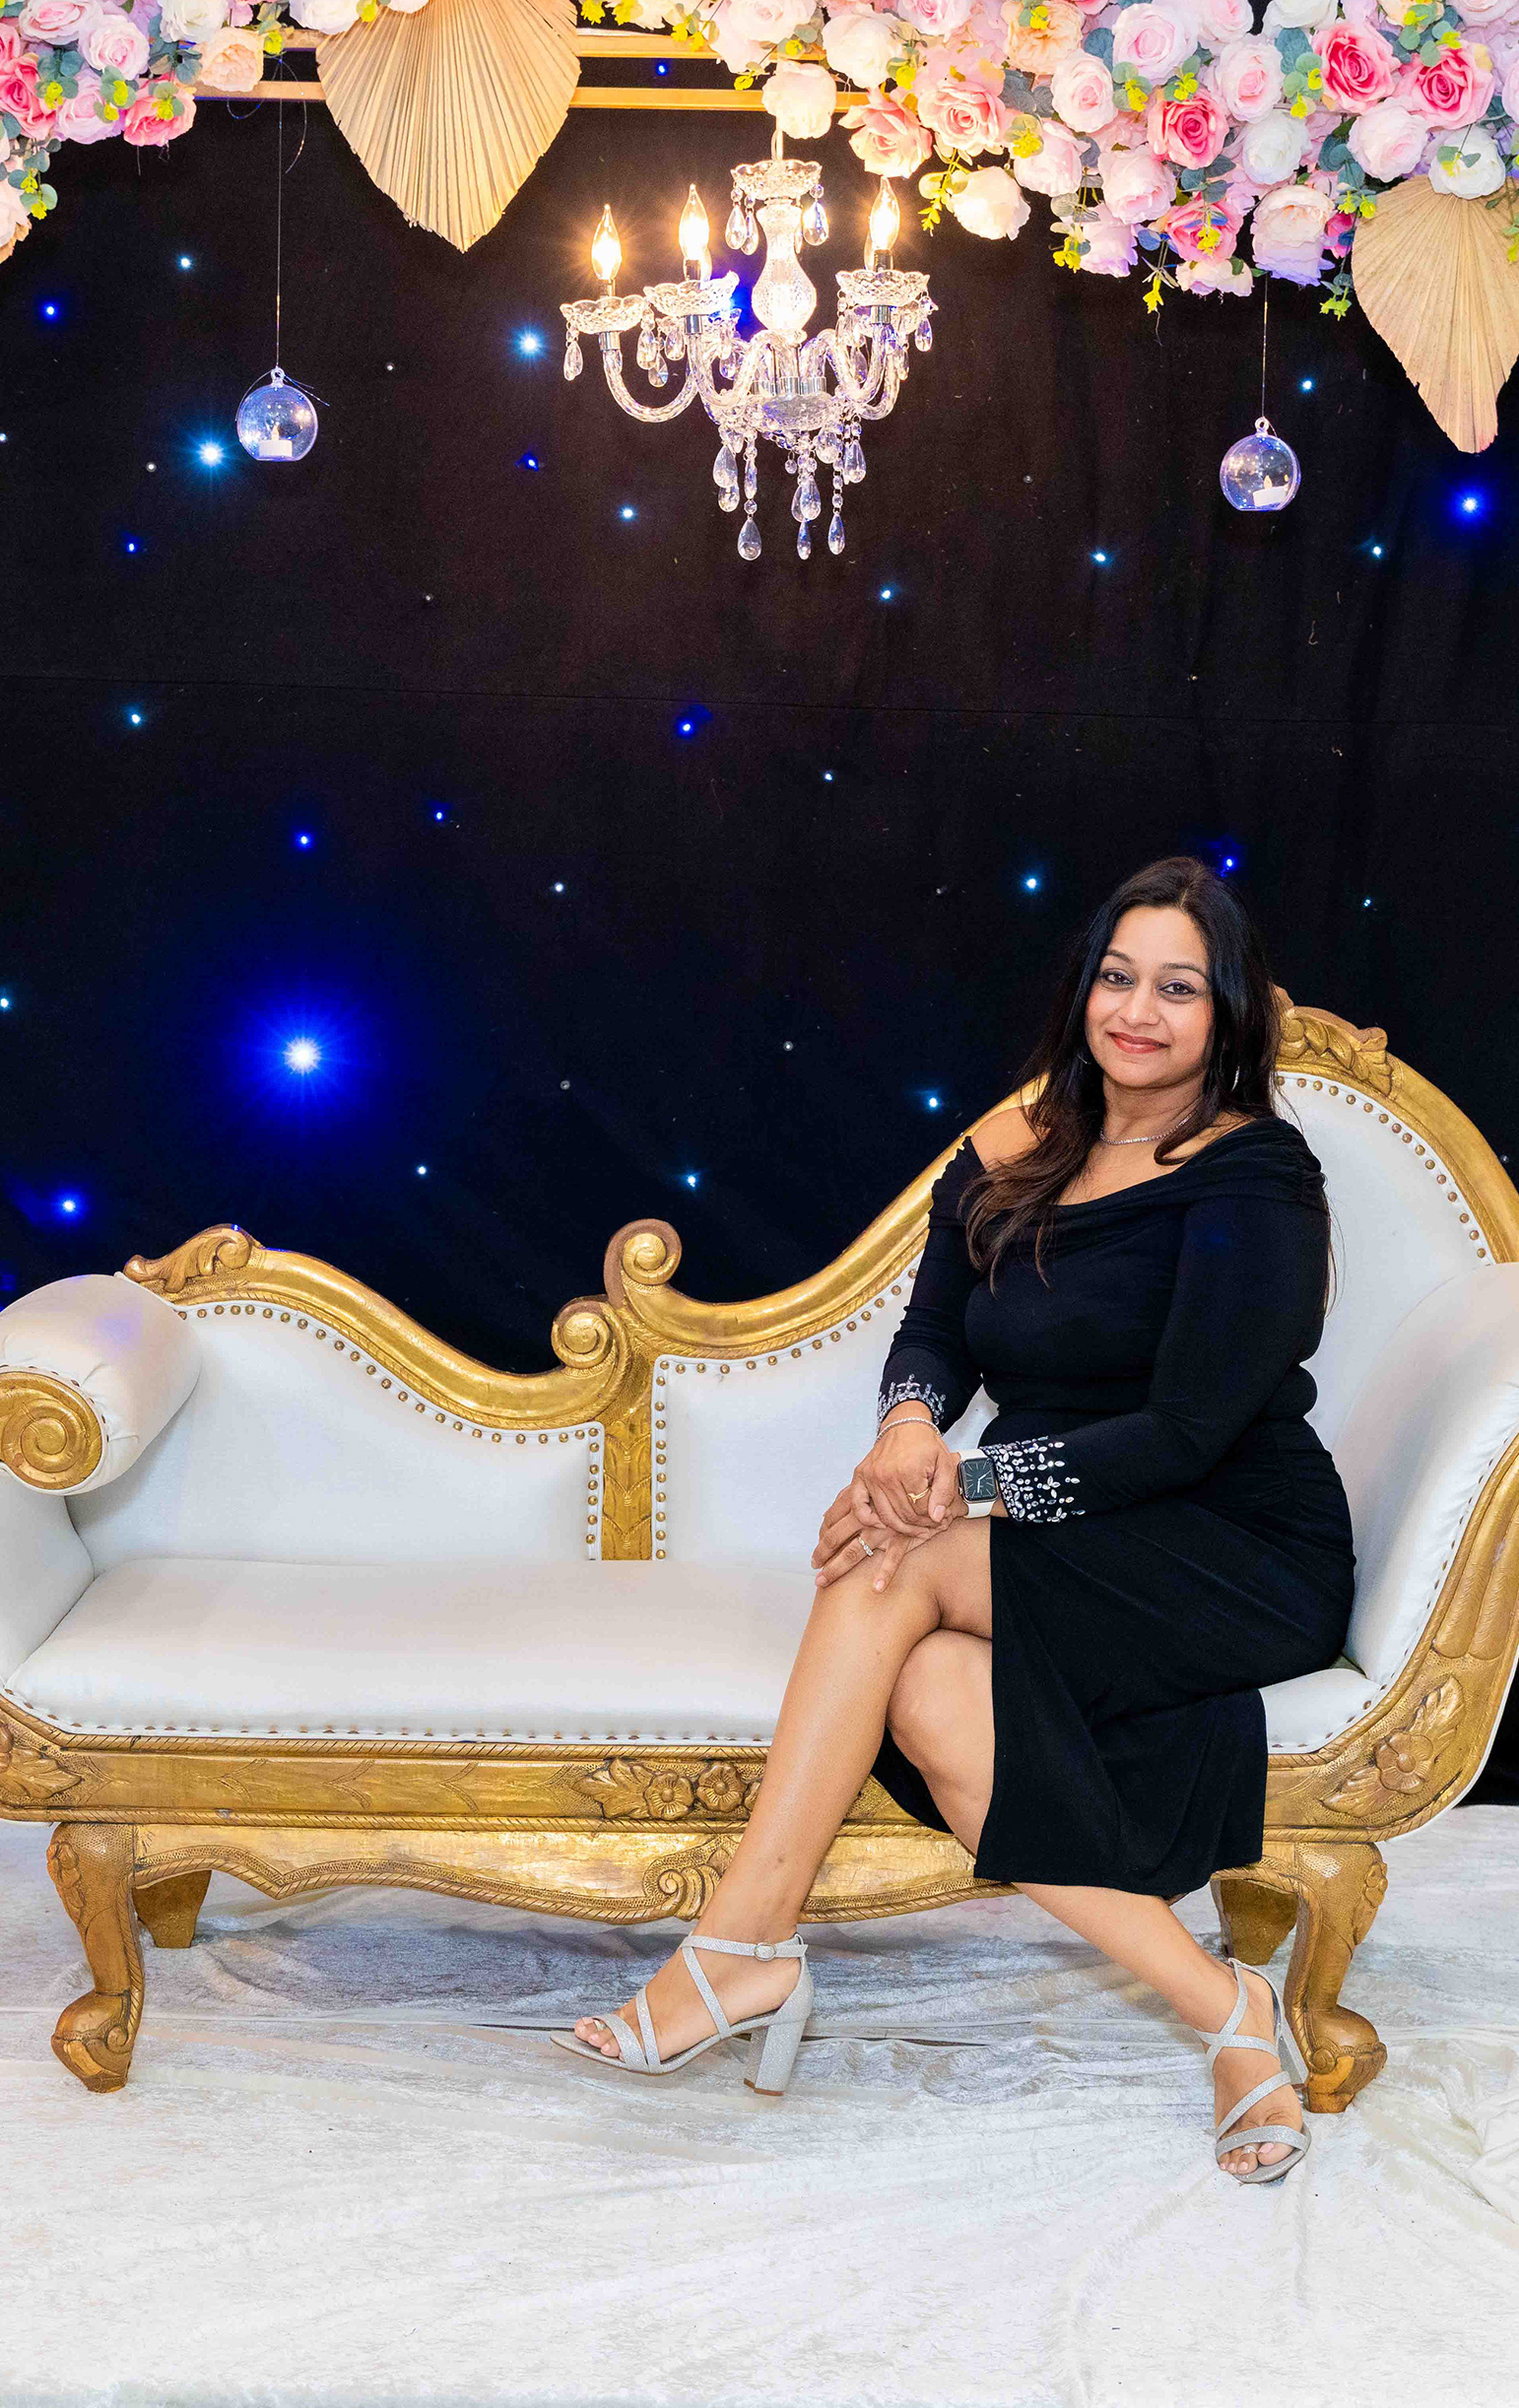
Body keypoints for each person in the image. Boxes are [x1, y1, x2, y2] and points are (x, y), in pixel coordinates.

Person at [565, 857, 1355, 2183]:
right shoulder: (1011, 1147)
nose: (1138, 1012)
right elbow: (935, 1330)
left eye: (1178, 989)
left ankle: (741, 1946)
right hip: (1071, 1531)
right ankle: (1230, 2009)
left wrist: (962, 1488)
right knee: (931, 1692)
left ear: (1225, 1013)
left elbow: (1188, 1431)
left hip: (1230, 1541)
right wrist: (908, 1430)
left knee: (894, 1557)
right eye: (1117, 977)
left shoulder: (1255, 1176)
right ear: (1083, 988)